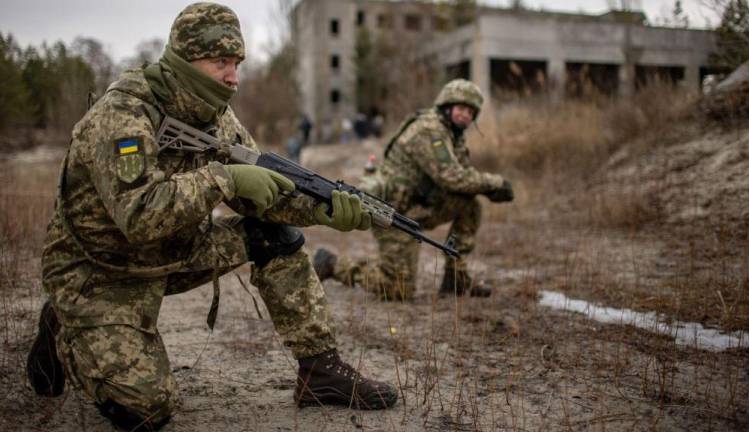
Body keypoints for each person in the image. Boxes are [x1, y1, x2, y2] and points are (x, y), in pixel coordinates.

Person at [25, 3, 397, 430]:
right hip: (98, 269)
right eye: (221, 62)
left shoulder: (214, 114)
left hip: (171, 251)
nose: (233, 77)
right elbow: (140, 216)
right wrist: (225, 178)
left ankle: (321, 371)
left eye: (237, 63)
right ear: (184, 59)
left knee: (272, 233)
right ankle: (61, 321)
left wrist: (327, 208)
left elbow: (267, 196)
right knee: (145, 409)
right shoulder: (124, 114)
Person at [314, 79, 514, 301]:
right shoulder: (429, 129)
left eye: (470, 111)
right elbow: (451, 176)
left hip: (417, 208)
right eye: (461, 108)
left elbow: (463, 175)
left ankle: (456, 278)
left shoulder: (453, 134)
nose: (465, 115)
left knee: (469, 204)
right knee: (397, 289)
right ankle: (333, 265)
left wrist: (485, 187)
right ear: (447, 107)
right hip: (391, 212)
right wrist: (495, 184)